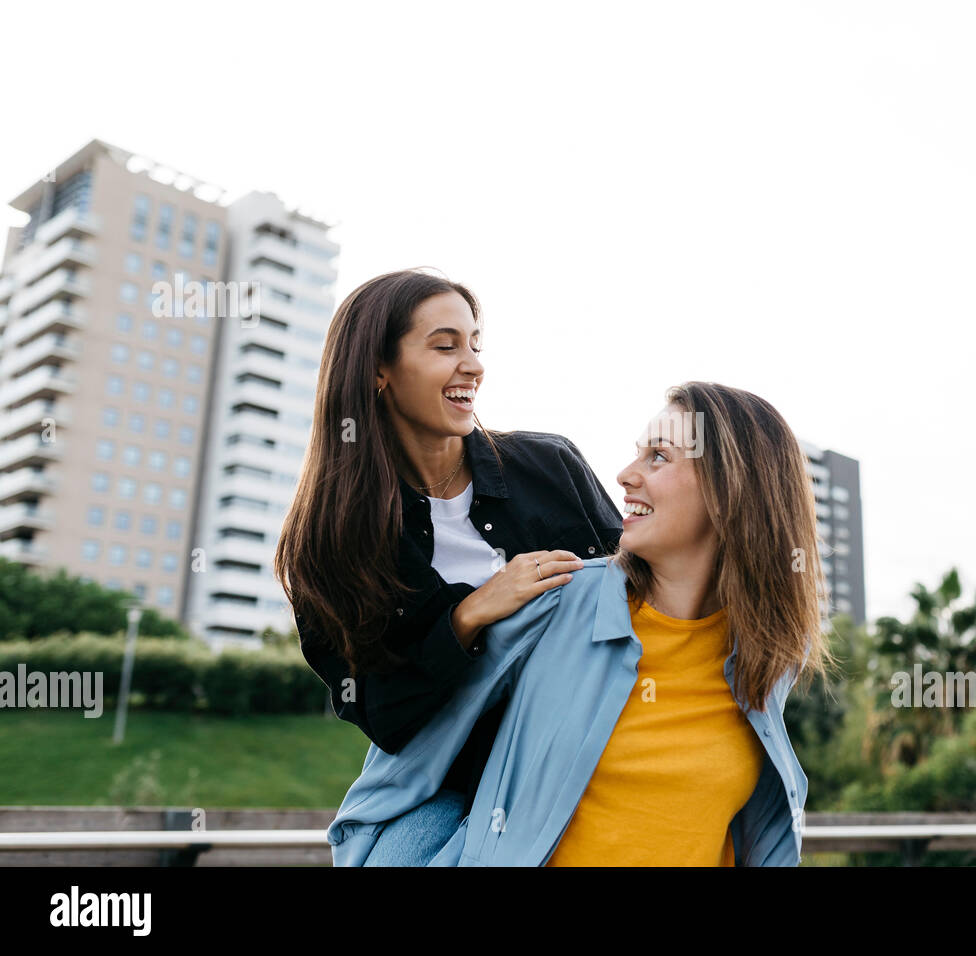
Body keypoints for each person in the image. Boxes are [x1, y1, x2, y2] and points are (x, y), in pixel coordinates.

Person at [327, 382, 833, 865]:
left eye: (658, 456)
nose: (625, 475)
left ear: (730, 490)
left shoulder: (771, 652)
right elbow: (416, 750)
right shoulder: (554, 603)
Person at [273, 268, 623, 865]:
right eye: (445, 346)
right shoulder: (328, 541)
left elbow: (642, 599)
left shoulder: (551, 467)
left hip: (590, 756)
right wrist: (467, 616)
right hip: (445, 779)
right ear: (378, 370)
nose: (473, 365)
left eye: (475, 345)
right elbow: (384, 714)